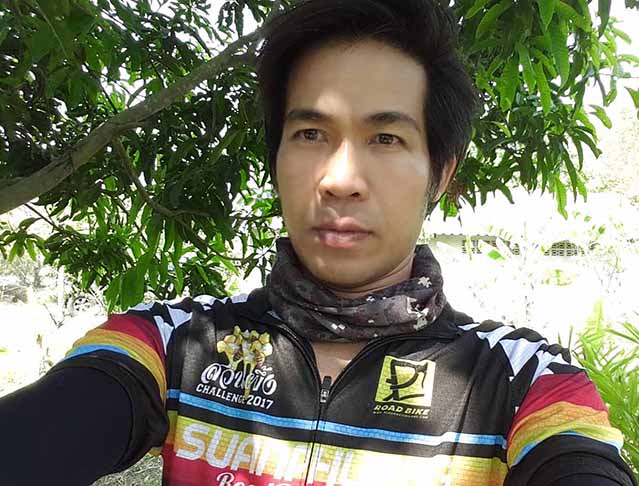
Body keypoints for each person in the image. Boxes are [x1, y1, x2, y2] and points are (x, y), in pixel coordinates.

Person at [1, 1, 636, 485]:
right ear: (275, 157)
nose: (339, 179)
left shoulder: (519, 381)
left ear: (440, 174)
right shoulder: (176, 345)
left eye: (386, 139)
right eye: (310, 134)